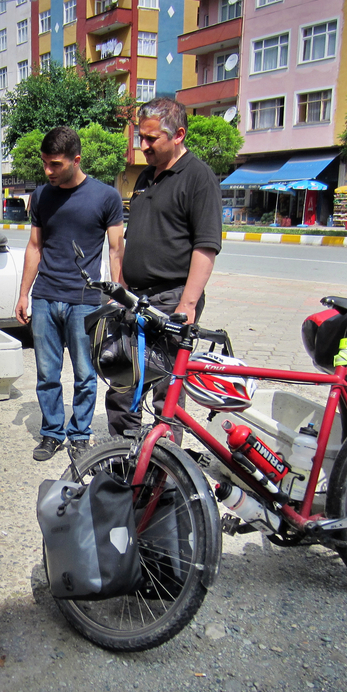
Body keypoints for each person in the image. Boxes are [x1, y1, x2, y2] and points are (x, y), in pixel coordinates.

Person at [105, 97, 222, 437]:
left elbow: (206, 246)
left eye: (151, 139)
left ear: (179, 135)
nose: (143, 146)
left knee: (165, 391)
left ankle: (162, 475)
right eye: (140, 137)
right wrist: (122, 291)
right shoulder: (145, 178)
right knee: (123, 382)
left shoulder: (198, 178)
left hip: (171, 300)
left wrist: (186, 305)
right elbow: (135, 238)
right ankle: (124, 462)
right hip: (136, 300)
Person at [14, 126, 124, 461]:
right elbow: (35, 246)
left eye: (56, 164)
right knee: (47, 373)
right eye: (45, 163)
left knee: (85, 374)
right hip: (45, 296)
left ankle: (79, 434)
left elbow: (116, 250)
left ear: (76, 160)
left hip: (84, 301)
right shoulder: (42, 195)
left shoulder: (106, 197)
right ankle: (51, 433)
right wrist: (23, 294)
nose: (48, 171)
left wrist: (118, 296)